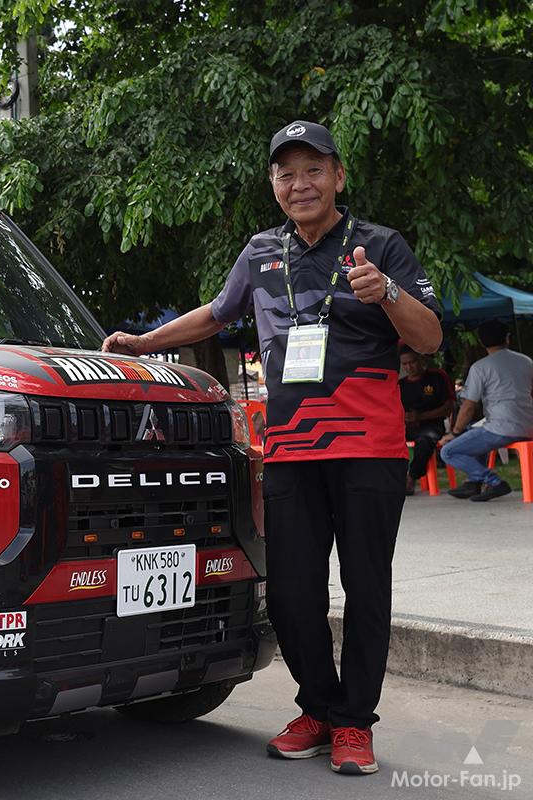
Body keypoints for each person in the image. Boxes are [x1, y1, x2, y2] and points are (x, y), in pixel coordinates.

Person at [103, 121, 442, 775]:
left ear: (338, 175)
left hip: (368, 448)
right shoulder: (261, 252)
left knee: (366, 587)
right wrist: (145, 343)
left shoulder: (380, 245)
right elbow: (215, 313)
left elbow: (428, 338)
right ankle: (318, 708)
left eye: (313, 169)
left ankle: (353, 722)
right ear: (273, 184)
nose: (300, 183)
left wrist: (388, 292)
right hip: (289, 451)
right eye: (287, 173)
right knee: (289, 591)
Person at [439, 320, 533, 501]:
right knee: (474, 430)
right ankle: (473, 482)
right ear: (507, 338)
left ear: (481, 342)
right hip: (528, 426)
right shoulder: (527, 362)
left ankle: (494, 481)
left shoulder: (481, 367)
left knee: (448, 452)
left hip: (501, 429)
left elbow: (468, 406)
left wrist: (454, 432)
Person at [398, 347, 455, 495]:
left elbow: (449, 406)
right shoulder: (400, 385)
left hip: (432, 425)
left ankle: (411, 477)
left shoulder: (437, 377)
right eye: (405, 364)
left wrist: (421, 416)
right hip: (405, 427)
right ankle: (393, 479)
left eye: (412, 362)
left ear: (421, 360)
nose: (409, 367)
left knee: (425, 441)